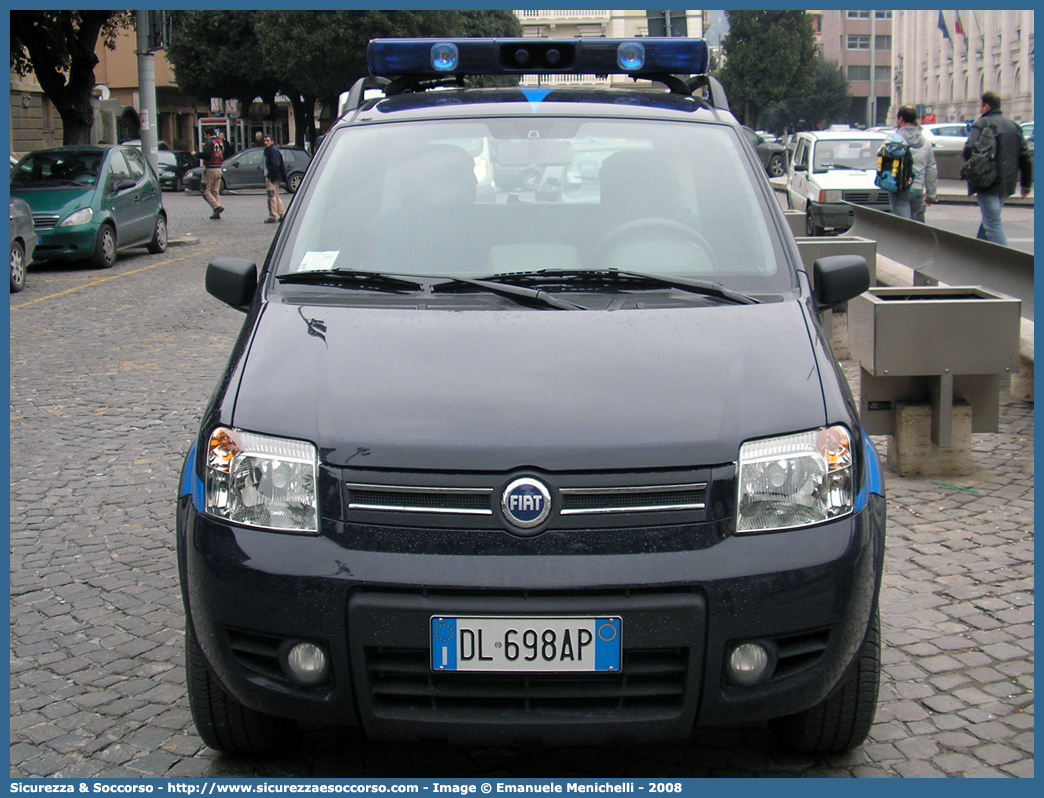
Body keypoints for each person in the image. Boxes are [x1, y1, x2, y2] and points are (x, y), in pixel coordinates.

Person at [963, 91, 1033, 245]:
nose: (979, 109)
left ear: (986, 107)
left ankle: (1006, 261)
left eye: (980, 106)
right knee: (990, 217)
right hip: (1007, 182)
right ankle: (978, 251)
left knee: (993, 223)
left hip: (986, 180)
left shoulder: (981, 124)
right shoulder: (1014, 126)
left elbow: (969, 149)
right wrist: (1026, 184)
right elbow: (1025, 157)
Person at [888, 105, 937, 222]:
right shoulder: (926, 142)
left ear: (900, 120)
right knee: (916, 227)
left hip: (899, 187)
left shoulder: (894, 139)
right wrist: (931, 194)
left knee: (903, 227)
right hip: (918, 188)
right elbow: (931, 168)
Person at [199, 129, 226, 220]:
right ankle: (216, 212)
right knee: (215, 191)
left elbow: (206, 154)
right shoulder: (220, 142)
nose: (204, 137)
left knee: (204, 190)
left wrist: (196, 154)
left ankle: (216, 207)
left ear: (208, 134)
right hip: (219, 168)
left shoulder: (209, 143)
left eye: (204, 134)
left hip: (210, 169)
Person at [262, 134, 289, 223]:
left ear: (272, 141)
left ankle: (272, 215)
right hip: (274, 176)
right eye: (265, 140)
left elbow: (275, 165)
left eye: (267, 140)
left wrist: (270, 175)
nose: (265, 142)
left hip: (272, 177)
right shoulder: (271, 150)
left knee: (271, 196)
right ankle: (282, 214)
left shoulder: (272, 151)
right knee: (275, 196)